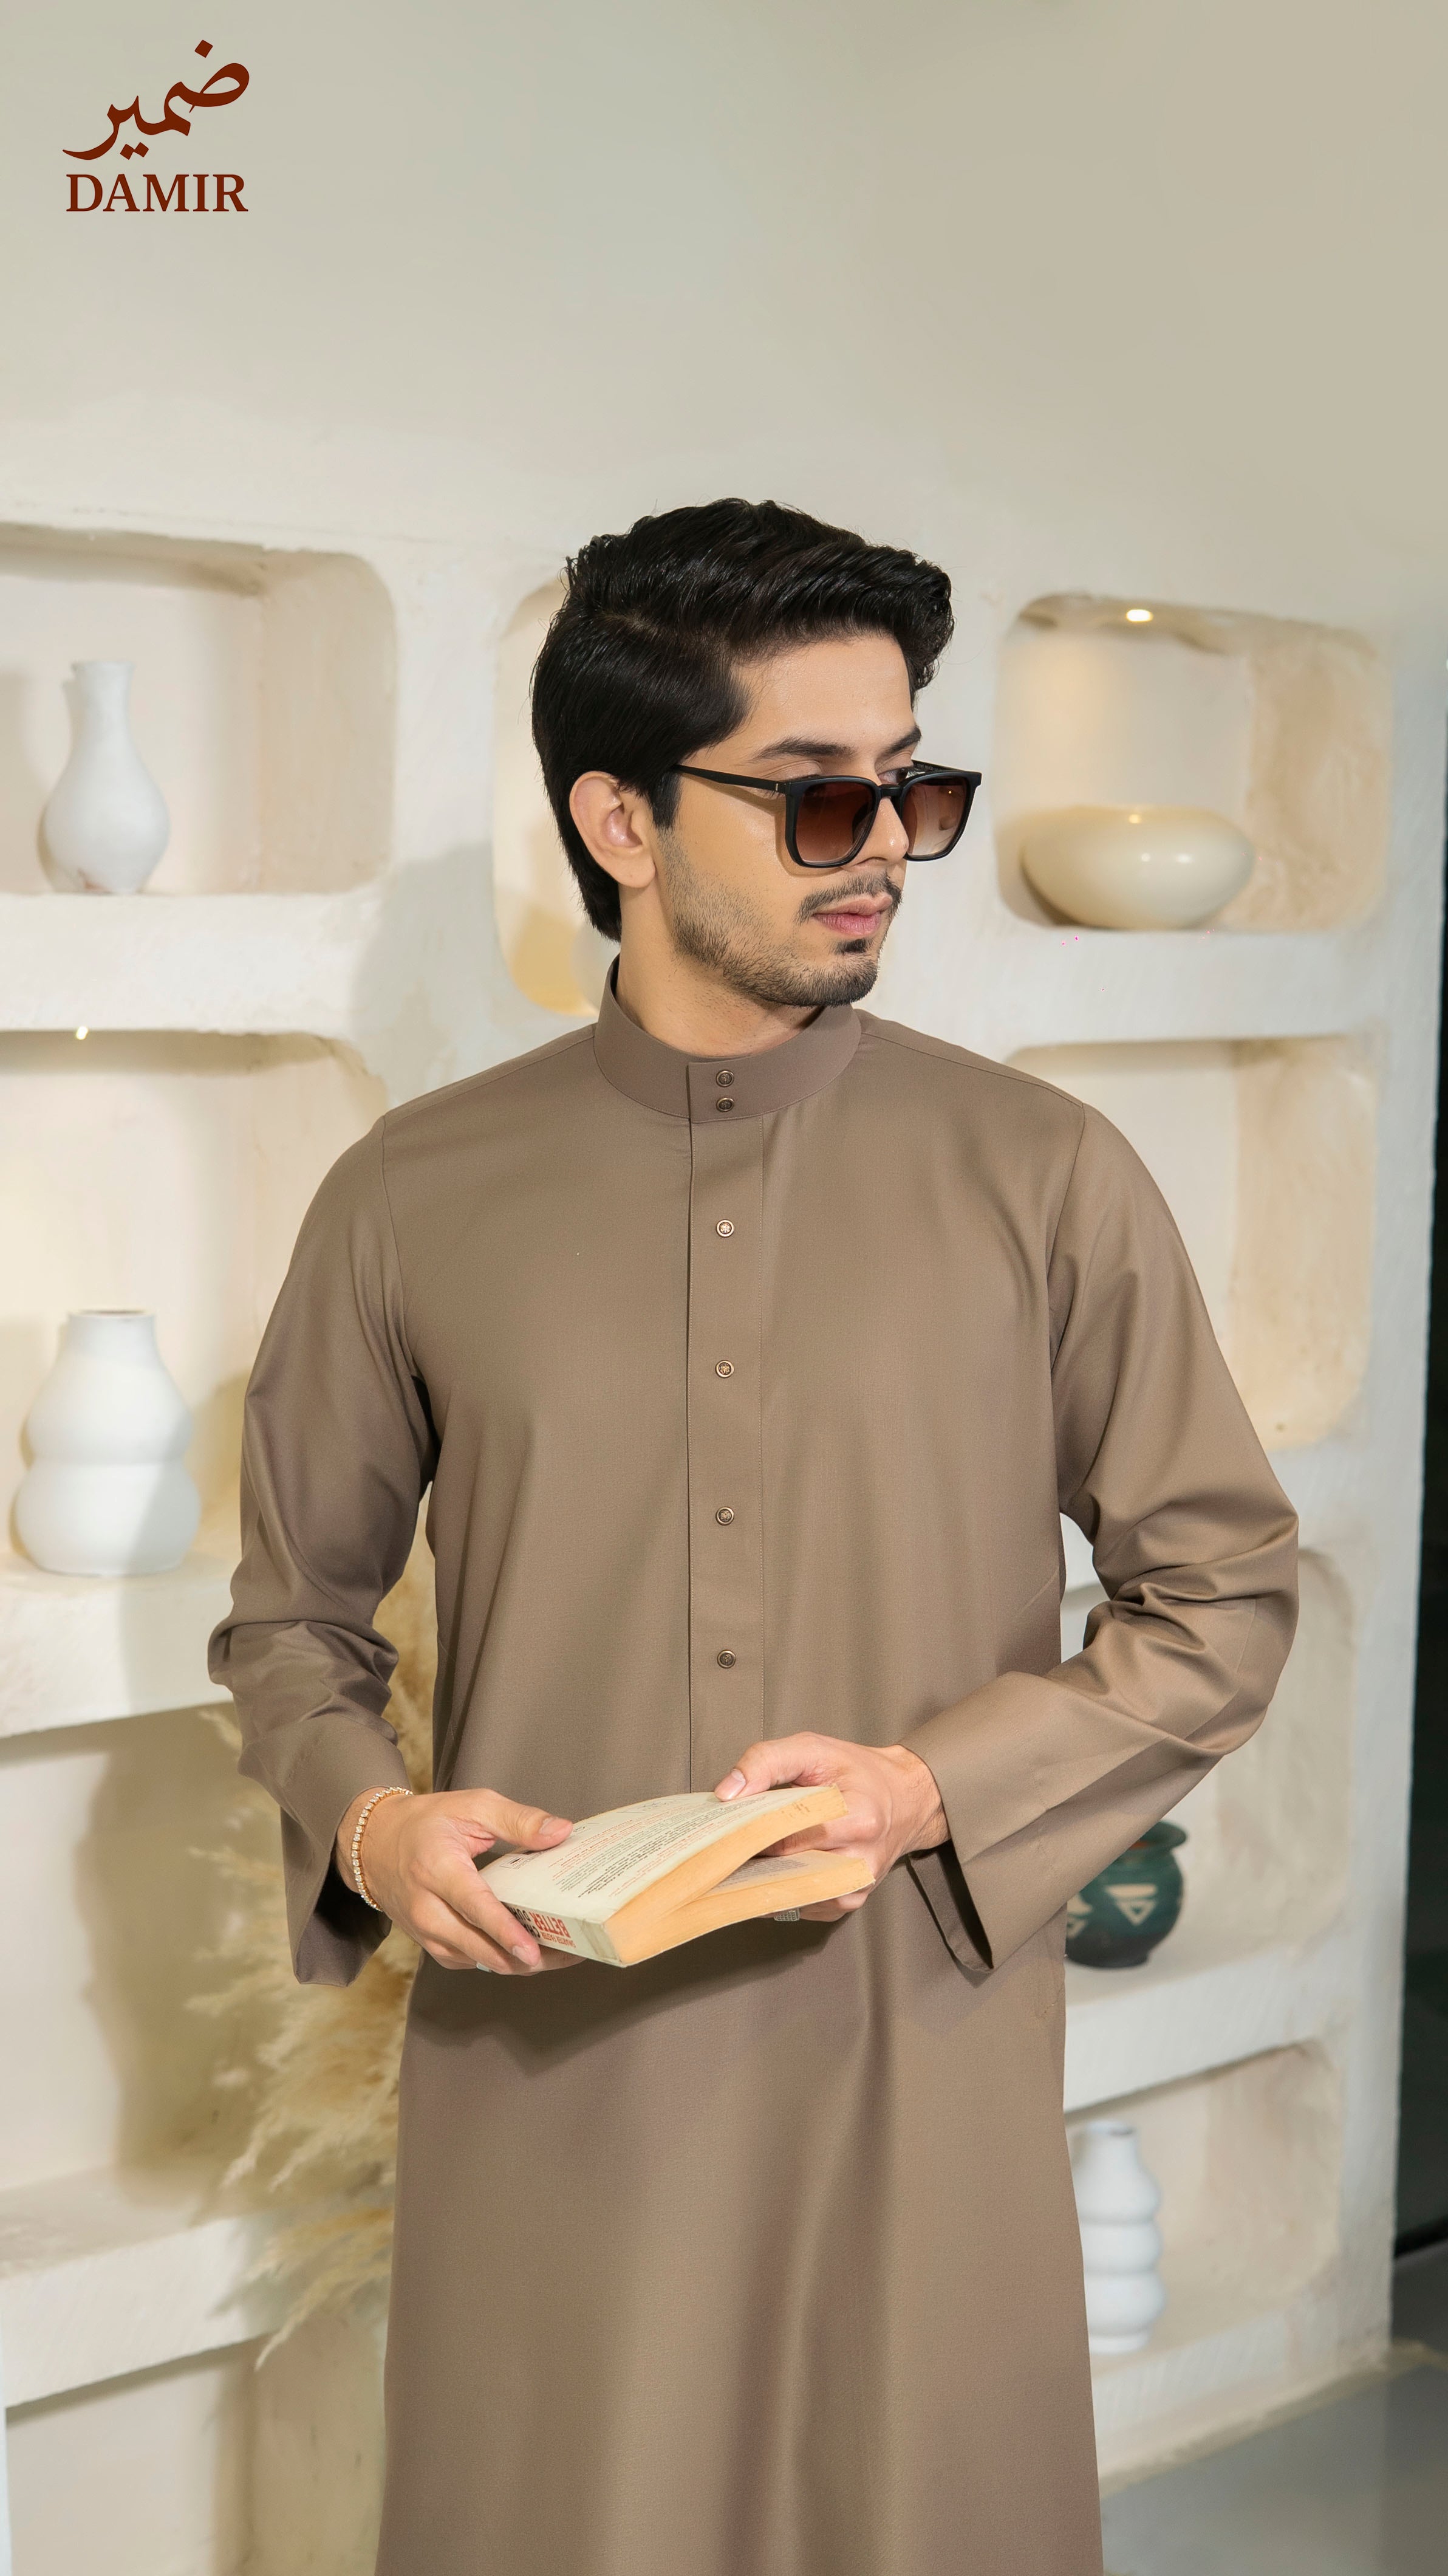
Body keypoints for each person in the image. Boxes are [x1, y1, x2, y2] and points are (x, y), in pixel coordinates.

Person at [210, 498, 1298, 2576]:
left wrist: (925, 1788)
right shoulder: (413, 1194)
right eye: (814, 800)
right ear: (619, 821)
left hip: (917, 2052)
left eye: (914, 787)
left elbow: (1222, 1595)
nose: (886, 844)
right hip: (552, 2063)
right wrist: (374, 1831)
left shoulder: (1044, 1177)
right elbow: (292, 1625)